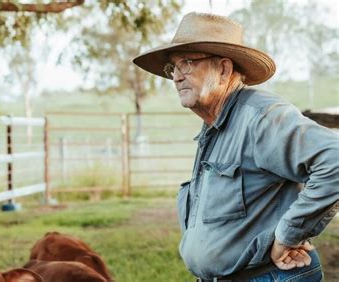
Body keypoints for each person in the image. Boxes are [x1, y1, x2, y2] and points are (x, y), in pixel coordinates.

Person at [133, 12, 338, 281]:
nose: (177, 77)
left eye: (187, 62)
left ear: (224, 69)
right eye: (173, 67)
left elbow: (335, 160)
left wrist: (288, 235)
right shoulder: (215, 125)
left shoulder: (260, 118)